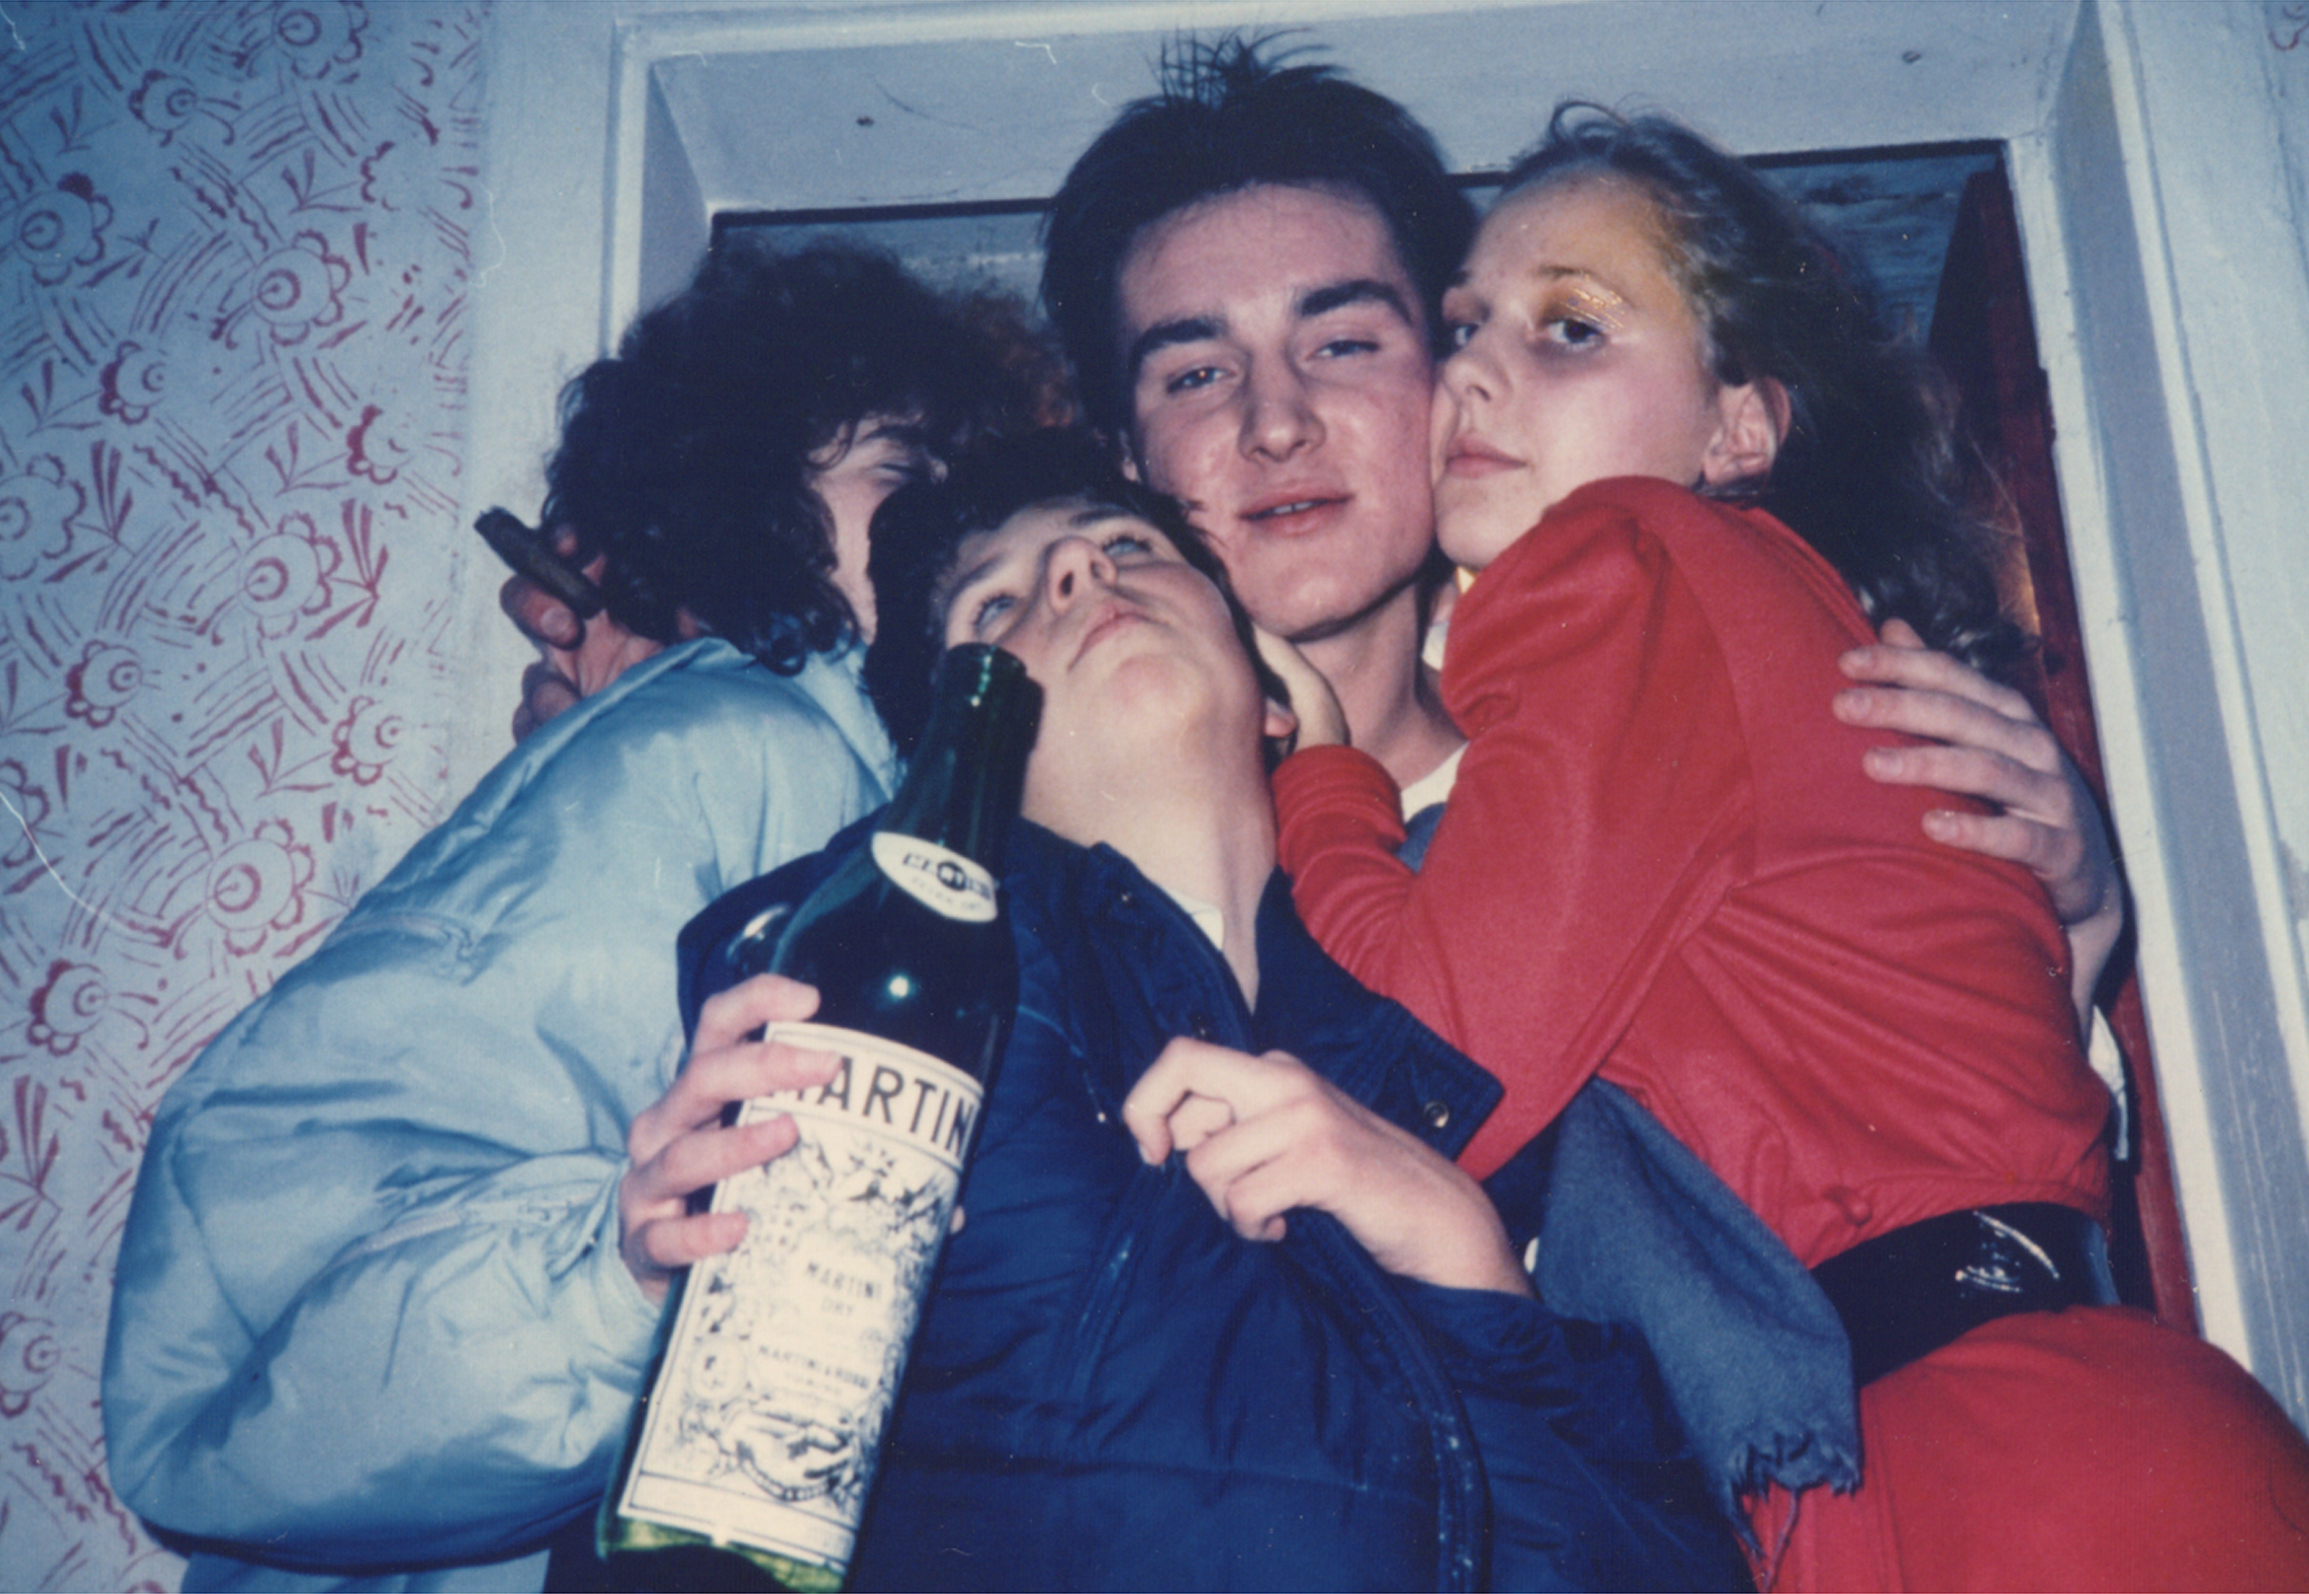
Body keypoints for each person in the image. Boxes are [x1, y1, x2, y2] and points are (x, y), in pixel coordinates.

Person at [509, 42, 2126, 1021]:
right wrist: (678, 688)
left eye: (1342, 342)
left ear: (1450, 374)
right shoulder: (997, 838)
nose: (1274, 422)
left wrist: (2075, 909)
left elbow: (1943, 1122)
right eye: (1194, 370)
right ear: (1124, 454)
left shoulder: (1664, 716)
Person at [1266, 106, 2309, 1590]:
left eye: (1571, 328)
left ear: (1737, 429)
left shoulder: (1624, 557)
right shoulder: (1750, 650)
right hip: (1937, 1452)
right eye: (1462, 329)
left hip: (1980, 1460)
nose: (1476, 372)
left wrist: (1321, 784)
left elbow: (1438, 1072)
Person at [100, 242, 1050, 1591]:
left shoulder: (862, 799)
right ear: (743, 494)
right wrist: (615, 1278)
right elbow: (252, 1292)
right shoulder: (737, 746)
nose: (948, 519)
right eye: (901, 469)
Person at [668, 430, 1752, 1590]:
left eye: (1125, 545)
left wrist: (1465, 1255)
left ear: (1274, 697)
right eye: (996, 607)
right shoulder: (900, 972)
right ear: (954, 752)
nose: (1079, 571)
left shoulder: (1425, 1067)